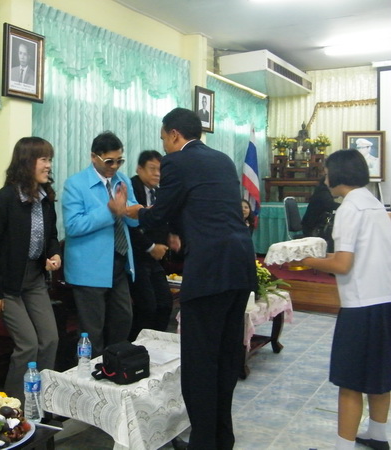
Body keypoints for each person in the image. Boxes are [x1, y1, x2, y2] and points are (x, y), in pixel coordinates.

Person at [127, 108, 256, 449]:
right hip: (239, 266)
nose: (163, 147)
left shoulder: (177, 161)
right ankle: (221, 439)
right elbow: (205, 208)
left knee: (200, 363)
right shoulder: (222, 160)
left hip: (210, 271)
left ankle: (203, 443)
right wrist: (178, 232)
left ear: (174, 135)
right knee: (226, 358)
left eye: (163, 139)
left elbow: (161, 214)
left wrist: (135, 212)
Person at [301, 149, 391, 450]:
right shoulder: (374, 203)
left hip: (360, 307)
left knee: (350, 383)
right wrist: (322, 256)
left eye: (326, 171)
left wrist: (306, 260)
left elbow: (342, 264)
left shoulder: (349, 208)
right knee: (380, 375)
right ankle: (378, 436)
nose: (324, 177)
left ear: (338, 173)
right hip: (385, 301)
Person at [0, 137, 60, 402]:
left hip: (35, 280)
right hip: (8, 285)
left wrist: (54, 254)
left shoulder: (45, 198)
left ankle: (42, 399)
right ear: (27, 162)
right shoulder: (5, 199)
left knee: (50, 339)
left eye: (50, 159)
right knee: (28, 345)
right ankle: (13, 404)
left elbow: (51, 236)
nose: (49, 165)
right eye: (44, 159)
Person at [62, 131, 138, 356]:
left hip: (119, 262)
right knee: (92, 330)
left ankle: (114, 365)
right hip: (89, 268)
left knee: (123, 318)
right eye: (109, 161)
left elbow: (132, 220)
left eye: (119, 161)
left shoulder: (122, 181)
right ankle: (89, 373)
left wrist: (137, 212)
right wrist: (109, 211)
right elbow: (73, 226)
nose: (114, 166)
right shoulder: (75, 184)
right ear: (94, 157)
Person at [128, 150, 174, 340]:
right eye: (152, 169)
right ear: (139, 169)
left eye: (159, 170)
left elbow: (164, 219)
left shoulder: (160, 192)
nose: (157, 174)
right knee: (147, 306)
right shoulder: (131, 188)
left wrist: (171, 235)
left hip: (154, 259)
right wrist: (151, 246)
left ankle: (157, 343)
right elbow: (130, 226)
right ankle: (136, 346)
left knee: (165, 303)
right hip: (135, 258)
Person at [302, 176, 339, 252]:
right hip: (313, 227)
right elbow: (330, 205)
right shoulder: (323, 192)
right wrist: (345, 205)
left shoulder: (322, 190)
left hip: (316, 224)